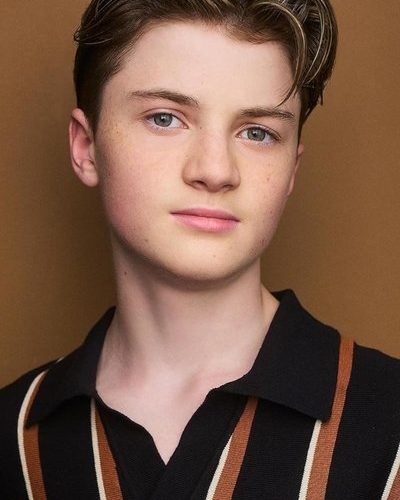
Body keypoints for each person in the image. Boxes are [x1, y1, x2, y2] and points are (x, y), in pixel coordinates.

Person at [1, 0, 400, 498]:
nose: (215, 170)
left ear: (291, 170)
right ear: (86, 147)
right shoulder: (11, 439)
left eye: (258, 132)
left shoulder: (390, 421)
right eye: (165, 118)